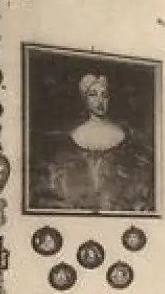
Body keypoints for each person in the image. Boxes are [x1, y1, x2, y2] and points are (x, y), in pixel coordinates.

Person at [30, 73, 153, 213]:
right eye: (93, 95)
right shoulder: (75, 135)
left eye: (104, 95)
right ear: (85, 99)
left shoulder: (124, 135)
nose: (100, 100)